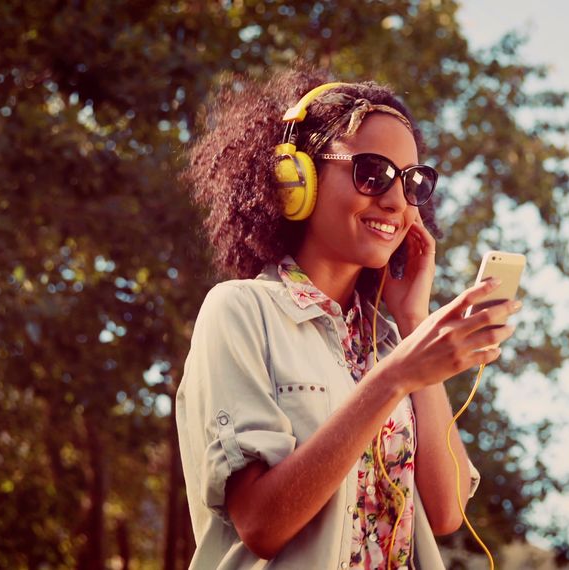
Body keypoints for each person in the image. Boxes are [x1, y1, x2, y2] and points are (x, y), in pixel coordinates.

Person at [176, 66, 521, 569]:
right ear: (297, 177)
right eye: (373, 172)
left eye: (413, 182)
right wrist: (395, 378)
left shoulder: (390, 342)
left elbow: (446, 513)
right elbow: (260, 524)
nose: (396, 200)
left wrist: (412, 320)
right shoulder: (239, 311)